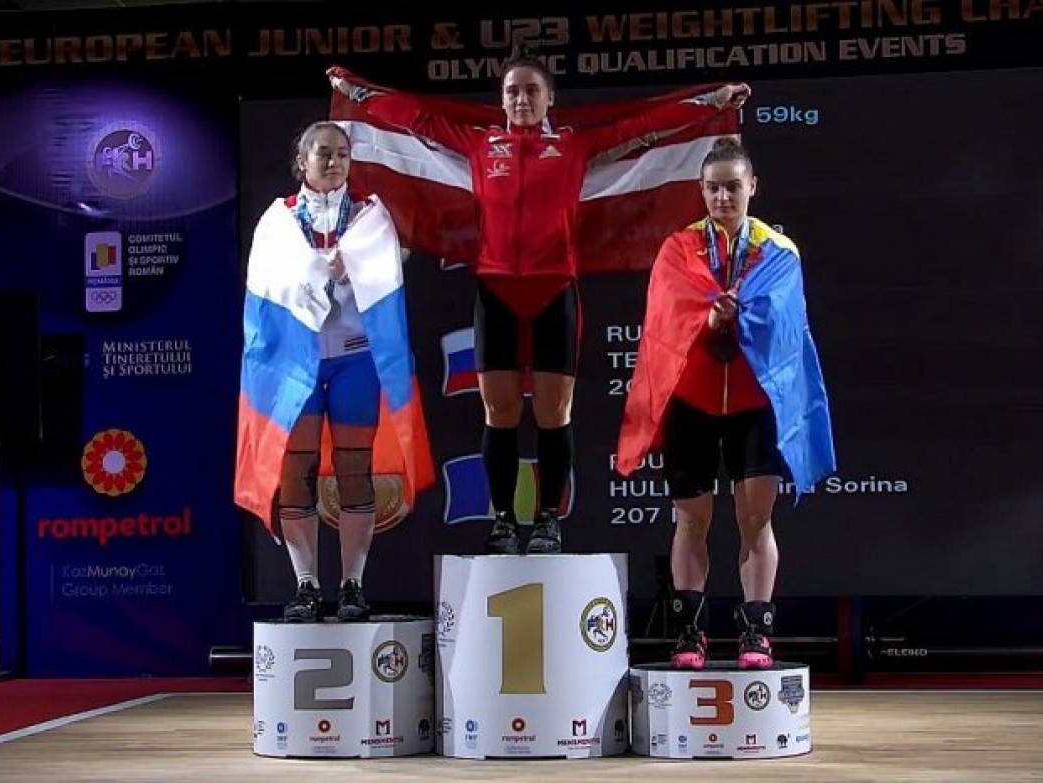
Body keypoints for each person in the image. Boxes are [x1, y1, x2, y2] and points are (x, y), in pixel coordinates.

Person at [329, 49, 751, 555]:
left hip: (554, 291)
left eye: (532, 91)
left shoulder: (573, 144)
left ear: (550, 98)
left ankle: (549, 519)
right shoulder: (481, 144)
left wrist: (711, 102)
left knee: (554, 412)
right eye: (513, 91)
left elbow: (642, 125)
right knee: (500, 411)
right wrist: (360, 94)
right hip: (496, 291)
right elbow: (419, 120)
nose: (522, 100)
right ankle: (504, 521)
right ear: (502, 99)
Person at [616, 139, 835, 669]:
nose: (722, 197)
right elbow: (666, 321)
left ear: (752, 187)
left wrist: (744, 316)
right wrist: (706, 318)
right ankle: (690, 634)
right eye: (713, 188)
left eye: (733, 187)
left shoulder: (779, 252)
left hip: (754, 404)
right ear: (701, 189)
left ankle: (756, 633)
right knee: (690, 520)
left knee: (755, 519)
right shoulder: (678, 249)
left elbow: (785, 327)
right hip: (692, 400)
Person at [235, 121, 432, 622]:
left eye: (342, 153)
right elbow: (266, 283)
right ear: (301, 161)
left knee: (354, 469)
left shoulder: (369, 216)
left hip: (355, 358)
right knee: (295, 469)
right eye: (323, 153)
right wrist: (312, 269)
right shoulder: (278, 220)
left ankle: (351, 586)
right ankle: (305, 585)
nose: (334, 162)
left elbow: (385, 273)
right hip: (296, 361)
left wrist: (356, 265)